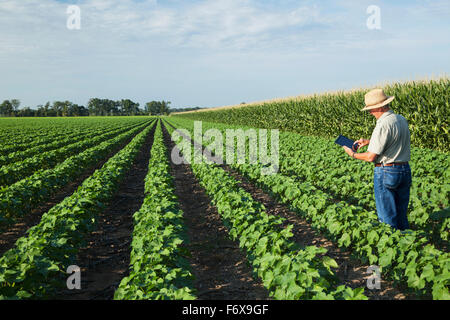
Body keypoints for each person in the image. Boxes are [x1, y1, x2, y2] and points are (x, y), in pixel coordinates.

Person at [342, 88, 411, 230]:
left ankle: (392, 248)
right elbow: (394, 141)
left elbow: (371, 157)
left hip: (387, 171)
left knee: (387, 218)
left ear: (379, 107)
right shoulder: (401, 119)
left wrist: (352, 154)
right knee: (401, 216)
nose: (370, 112)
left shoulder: (383, 124)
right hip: (404, 170)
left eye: (371, 109)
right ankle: (406, 242)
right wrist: (369, 141)